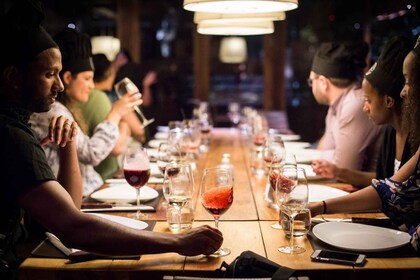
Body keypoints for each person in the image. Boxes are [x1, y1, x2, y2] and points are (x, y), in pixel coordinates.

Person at [0, 1, 223, 278]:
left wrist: (69, 142)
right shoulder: (11, 135)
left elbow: (70, 208)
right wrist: (178, 242)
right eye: (49, 75)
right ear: (13, 78)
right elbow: (74, 228)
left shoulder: (18, 123)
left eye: (59, 74)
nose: (59, 85)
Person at [309, 37, 420, 253]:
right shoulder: (390, 132)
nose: (404, 92)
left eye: (409, 82)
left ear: (388, 101)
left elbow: (386, 192)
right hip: (397, 230)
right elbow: (384, 187)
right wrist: (320, 206)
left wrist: (321, 206)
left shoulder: (414, 139)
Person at [30, 27, 142, 196]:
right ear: (68, 78)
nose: (91, 85)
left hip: (90, 193)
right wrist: (116, 113)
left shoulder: (64, 108)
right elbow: (91, 153)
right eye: (87, 79)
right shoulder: (53, 112)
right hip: (80, 200)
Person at [311, 36, 414, 187]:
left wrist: (338, 172)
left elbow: (389, 189)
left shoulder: (354, 105)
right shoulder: (390, 133)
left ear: (389, 101)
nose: (364, 107)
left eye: (368, 100)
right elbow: (383, 183)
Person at [308, 41, 384, 179]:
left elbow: (343, 169)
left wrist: (328, 157)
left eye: (311, 80)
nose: (311, 85)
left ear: (323, 83)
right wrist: (330, 155)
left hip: (372, 194)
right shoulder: (336, 106)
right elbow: (322, 153)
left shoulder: (355, 105)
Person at [79, 53, 145, 180]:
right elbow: (118, 147)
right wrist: (123, 121)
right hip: (105, 176)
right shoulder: (98, 97)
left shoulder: (85, 98)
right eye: (86, 79)